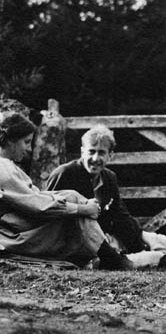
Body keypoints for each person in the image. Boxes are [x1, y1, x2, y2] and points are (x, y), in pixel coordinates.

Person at [0, 112, 134, 270]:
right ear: (10, 140)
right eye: (26, 142)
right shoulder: (4, 170)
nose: (29, 149)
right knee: (76, 208)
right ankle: (110, 258)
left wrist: (73, 198)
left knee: (72, 196)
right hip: (12, 236)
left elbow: (35, 196)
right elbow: (37, 206)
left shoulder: (8, 166)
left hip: (19, 228)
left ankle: (107, 256)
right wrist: (82, 208)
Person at [47, 125, 166, 268]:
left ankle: (130, 256)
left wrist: (141, 240)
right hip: (77, 241)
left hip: (106, 236)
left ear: (110, 155)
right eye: (91, 152)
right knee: (156, 257)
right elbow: (49, 212)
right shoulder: (65, 173)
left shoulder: (109, 177)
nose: (95, 158)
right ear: (82, 152)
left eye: (101, 153)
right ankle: (122, 260)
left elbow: (120, 215)